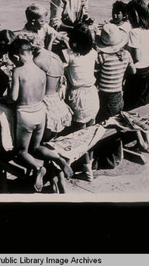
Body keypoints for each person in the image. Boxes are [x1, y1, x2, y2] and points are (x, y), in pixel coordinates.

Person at [7, 36, 73, 192]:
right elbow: (42, 95)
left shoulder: (18, 71)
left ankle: (38, 168)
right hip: (41, 112)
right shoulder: (41, 71)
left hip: (26, 114)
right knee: (36, 147)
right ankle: (58, 158)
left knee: (22, 152)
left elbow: (13, 98)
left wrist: (9, 90)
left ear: (16, 57)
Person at [63, 23, 99, 181]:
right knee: (90, 133)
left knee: (78, 134)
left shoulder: (68, 55)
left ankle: (81, 165)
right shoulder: (93, 53)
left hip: (78, 96)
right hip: (92, 93)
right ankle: (89, 164)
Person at [95, 23, 136, 123]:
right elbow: (133, 71)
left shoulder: (102, 57)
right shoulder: (126, 54)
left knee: (102, 120)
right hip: (117, 93)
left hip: (103, 94)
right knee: (115, 120)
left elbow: (96, 72)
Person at [32, 43, 73, 142]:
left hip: (46, 103)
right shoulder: (55, 56)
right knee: (52, 139)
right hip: (57, 100)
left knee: (42, 140)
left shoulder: (37, 61)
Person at [123, 0, 149, 111]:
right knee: (144, 105)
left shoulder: (134, 32)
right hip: (148, 69)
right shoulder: (148, 29)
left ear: (134, 16)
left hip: (137, 74)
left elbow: (136, 57)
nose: (128, 19)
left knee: (131, 107)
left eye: (129, 15)